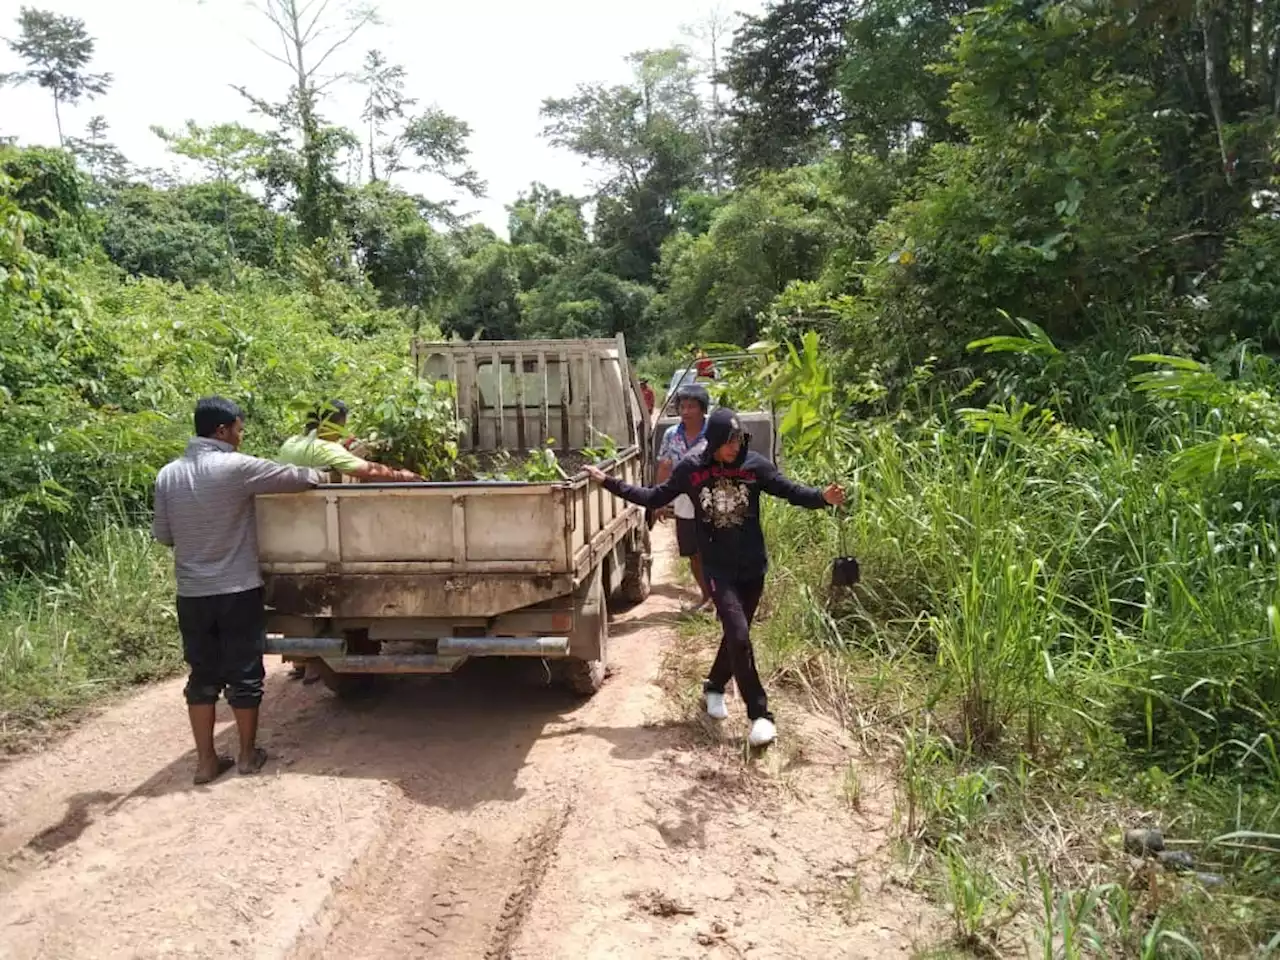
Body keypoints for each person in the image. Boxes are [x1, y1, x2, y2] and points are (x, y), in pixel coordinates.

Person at [585, 407, 844, 747]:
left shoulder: (754, 466)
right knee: (738, 635)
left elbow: (790, 491)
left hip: (753, 569)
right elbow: (654, 496)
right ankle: (760, 714)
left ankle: (714, 686)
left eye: (738, 440)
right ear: (715, 441)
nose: (734, 448)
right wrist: (609, 483)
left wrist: (822, 498)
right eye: (728, 442)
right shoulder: (692, 469)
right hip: (718, 570)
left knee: (737, 636)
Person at [152, 397, 321, 784]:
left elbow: (163, 536)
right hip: (237, 588)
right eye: (239, 431)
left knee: (201, 675)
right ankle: (247, 756)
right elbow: (302, 478)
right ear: (222, 430)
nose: (241, 438)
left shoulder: (168, 475)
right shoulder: (237, 468)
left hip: (192, 592)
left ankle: (206, 762)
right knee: (245, 673)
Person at [656, 383, 712, 613]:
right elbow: (665, 466)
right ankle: (707, 596)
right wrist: (659, 500)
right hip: (683, 502)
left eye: (691, 406)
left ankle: (724, 597)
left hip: (712, 499)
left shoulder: (714, 432)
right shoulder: (671, 435)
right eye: (682, 406)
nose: (685, 411)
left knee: (715, 550)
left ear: (702, 409)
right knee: (693, 552)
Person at [277, 400, 419, 483]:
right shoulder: (327, 449)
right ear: (328, 426)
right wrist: (402, 476)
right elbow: (370, 471)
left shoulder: (291, 442)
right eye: (341, 427)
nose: (341, 433)